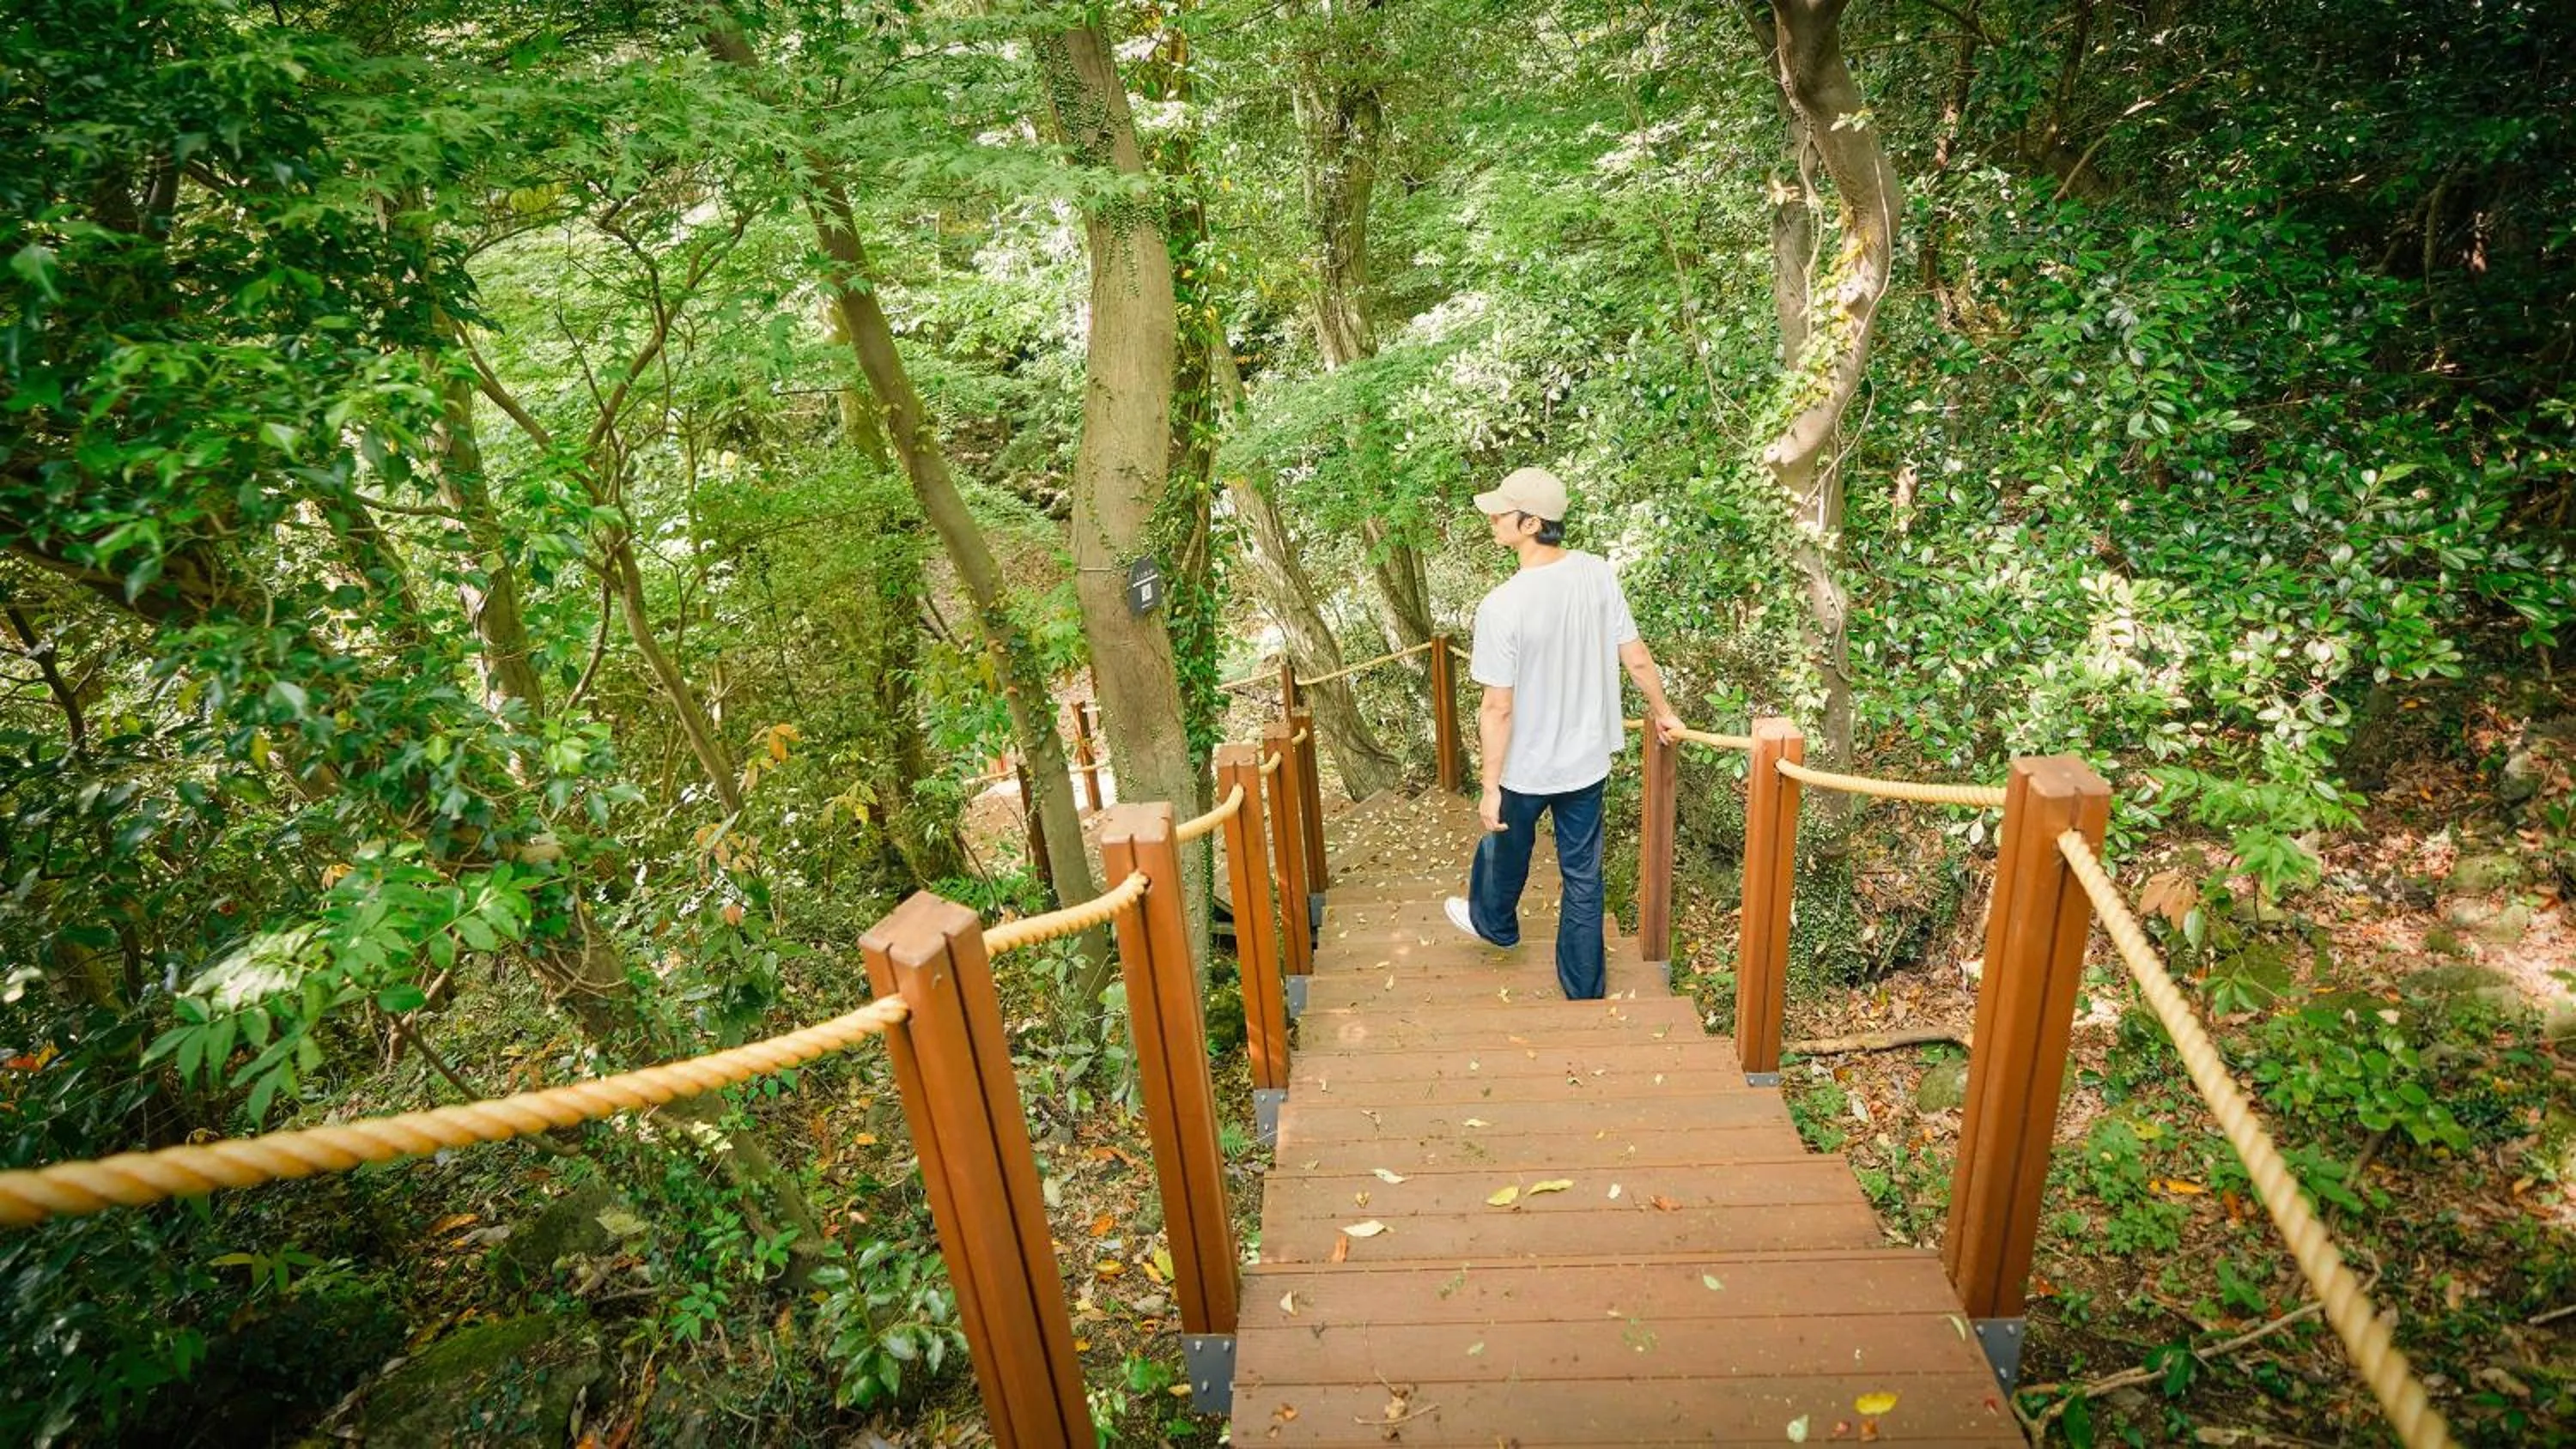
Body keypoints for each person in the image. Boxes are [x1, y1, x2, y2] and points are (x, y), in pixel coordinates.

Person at [1443, 466, 1685, 1000]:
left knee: (1504, 848)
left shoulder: (1502, 605)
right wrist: (1663, 711)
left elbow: (1497, 707)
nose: (1491, 518)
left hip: (1524, 767)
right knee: (1583, 875)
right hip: (1585, 763)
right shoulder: (1597, 574)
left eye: (1501, 512)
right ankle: (1584, 988)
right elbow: (1635, 657)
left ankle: (1495, 924)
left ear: (1531, 523)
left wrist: (1489, 786)